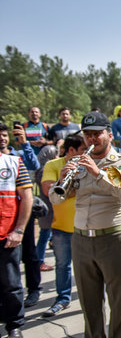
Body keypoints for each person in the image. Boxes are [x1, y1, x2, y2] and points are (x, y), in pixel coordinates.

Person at [53, 111, 121, 338]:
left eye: (96, 133)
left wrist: (97, 173)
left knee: (118, 301)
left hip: (112, 236)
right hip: (81, 238)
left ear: (109, 135)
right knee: (89, 303)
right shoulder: (78, 161)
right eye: (87, 134)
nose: (91, 138)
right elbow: (56, 201)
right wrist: (62, 180)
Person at [41, 134, 87, 317]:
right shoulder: (52, 165)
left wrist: (62, 191)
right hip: (61, 228)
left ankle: (89, 299)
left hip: (84, 227)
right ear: (71, 151)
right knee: (62, 266)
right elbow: (48, 191)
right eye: (83, 149)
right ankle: (63, 299)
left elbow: (61, 194)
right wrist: (63, 180)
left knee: (87, 268)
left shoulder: (88, 165)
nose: (87, 152)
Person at [0, 122, 33, 338]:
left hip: (7, 235)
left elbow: (27, 197)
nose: (2, 139)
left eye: (4, 135)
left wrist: (19, 230)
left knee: (11, 284)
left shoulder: (14, 162)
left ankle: (14, 325)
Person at [10, 123, 42, 307]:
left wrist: (24, 143)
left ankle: (34, 289)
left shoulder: (17, 156)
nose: (3, 138)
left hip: (23, 211)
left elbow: (34, 165)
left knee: (29, 253)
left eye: (6, 135)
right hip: (3, 216)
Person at [35, 144, 59, 272]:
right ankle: (39, 261)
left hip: (48, 208)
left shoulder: (42, 169)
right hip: (48, 208)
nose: (57, 156)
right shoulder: (45, 170)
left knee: (46, 235)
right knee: (44, 235)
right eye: (54, 154)